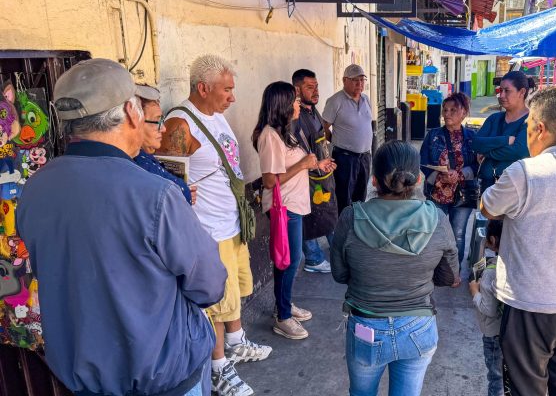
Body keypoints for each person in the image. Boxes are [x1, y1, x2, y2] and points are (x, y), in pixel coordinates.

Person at [16, 58, 227, 395]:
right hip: (161, 378)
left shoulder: (36, 188)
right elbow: (210, 285)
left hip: (81, 378)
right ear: (132, 112)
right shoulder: (156, 194)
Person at [481, 87, 556, 396]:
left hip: (529, 304)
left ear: (540, 128)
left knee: (525, 390)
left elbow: (488, 206)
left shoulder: (523, 173)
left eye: (527, 128)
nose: (526, 135)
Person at [158, 54, 270, 396]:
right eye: (227, 90)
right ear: (203, 88)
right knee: (215, 304)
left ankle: (235, 344)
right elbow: (166, 177)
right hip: (207, 230)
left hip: (231, 223)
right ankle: (218, 368)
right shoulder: (180, 124)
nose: (233, 97)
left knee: (233, 293)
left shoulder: (216, 117)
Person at [330, 141, 460, 396]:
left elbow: (340, 274)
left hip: (366, 326)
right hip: (419, 326)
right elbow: (450, 276)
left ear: (374, 181)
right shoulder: (437, 219)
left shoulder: (350, 217)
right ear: (420, 179)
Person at [252, 81, 336, 340]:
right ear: (282, 105)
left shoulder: (284, 132)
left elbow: (294, 164)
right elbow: (269, 180)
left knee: (288, 261)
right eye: (295, 101)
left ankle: (284, 305)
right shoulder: (269, 136)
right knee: (290, 261)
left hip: (294, 204)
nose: (299, 104)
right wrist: (302, 165)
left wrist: (316, 164)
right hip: (283, 207)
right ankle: (283, 317)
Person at [420, 92, 479, 265]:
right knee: (432, 231)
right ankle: (431, 268)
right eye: (445, 110)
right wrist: (439, 176)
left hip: (463, 192)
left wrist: (460, 174)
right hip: (437, 192)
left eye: (453, 110)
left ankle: (454, 271)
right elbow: (422, 161)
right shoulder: (433, 135)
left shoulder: (472, 137)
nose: (447, 114)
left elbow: (479, 165)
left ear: (464, 112)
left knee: (458, 233)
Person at [292, 69, 337, 273]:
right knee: (309, 217)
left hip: (323, 173)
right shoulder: (295, 116)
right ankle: (313, 258)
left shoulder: (313, 110)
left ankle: (336, 250)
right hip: (306, 177)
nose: (315, 91)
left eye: (316, 86)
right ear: (297, 89)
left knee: (327, 213)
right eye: (310, 87)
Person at [133, 84, 196, 205]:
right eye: (157, 121)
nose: (163, 129)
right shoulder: (139, 167)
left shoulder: (144, 158)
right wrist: (184, 192)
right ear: (133, 120)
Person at [323, 64, 373, 213]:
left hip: (365, 157)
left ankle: (357, 226)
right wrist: (337, 142)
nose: (360, 84)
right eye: (355, 80)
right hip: (344, 158)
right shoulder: (335, 101)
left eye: (362, 80)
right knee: (344, 197)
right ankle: (342, 229)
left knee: (360, 196)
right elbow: (324, 127)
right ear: (345, 80)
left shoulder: (366, 99)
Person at [472, 71, 531, 192]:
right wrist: (505, 140)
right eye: (500, 91)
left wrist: (487, 152)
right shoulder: (494, 119)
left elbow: (519, 151)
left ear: (522, 92)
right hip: (488, 187)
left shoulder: (531, 121)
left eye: (507, 91)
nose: (501, 95)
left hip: (515, 189)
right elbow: (475, 143)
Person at [468, 219, 504, 396]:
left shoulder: (491, 271)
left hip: (493, 334)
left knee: (496, 378)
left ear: (493, 240)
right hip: (513, 332)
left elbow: (488, 309)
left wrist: (475, 291)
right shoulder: (513, 264)